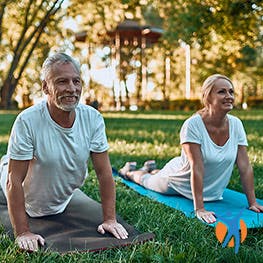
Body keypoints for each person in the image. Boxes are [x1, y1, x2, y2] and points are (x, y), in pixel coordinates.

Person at [0, 52, 128, 252]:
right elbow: (13, 181)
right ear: (45, 87)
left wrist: (110, 219)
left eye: (76, 81)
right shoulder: (27, 121)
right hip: (22, 191)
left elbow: (104, 173)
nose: (71, 88)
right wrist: (23, 232)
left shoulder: (93, 119)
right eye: (62, 82)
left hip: (57, 199)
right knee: (6, 171)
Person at [119, 74, 263, 224]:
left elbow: (245, 167)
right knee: (146, 181)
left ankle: (153, 168)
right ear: (208, 97)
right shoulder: (193, 125)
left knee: (155, 175)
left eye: (231, 92)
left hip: (211, 192)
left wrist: (252, 202)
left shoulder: (236, 124)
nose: (229, 96)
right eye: (222, 92)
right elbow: (197, 167)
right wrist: (199, 208)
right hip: (176, 182)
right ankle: (130, 171)